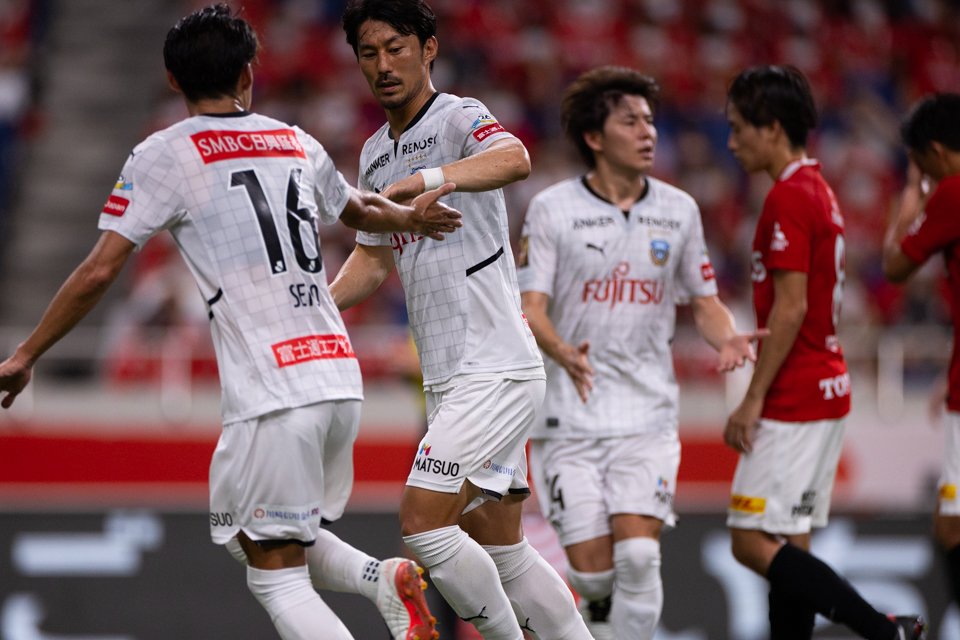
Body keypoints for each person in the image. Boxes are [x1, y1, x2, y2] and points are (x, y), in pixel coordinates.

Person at [0, 5, 466, 639]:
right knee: (255, 534)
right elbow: (357, 209)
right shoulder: (295, 141)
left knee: (273, 574)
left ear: (171, 80)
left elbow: (97, 272)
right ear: (249, 73)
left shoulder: (164, 153)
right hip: (336, 374)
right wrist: (409, 219)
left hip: (273, 391)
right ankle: (379, 580)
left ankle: (378, 582)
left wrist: (26, 354)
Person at [332, 1, 592, 638]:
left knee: (423, 521)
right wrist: (307, 307)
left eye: (396, 48)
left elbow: (514, 160)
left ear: (428, 49)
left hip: (495, 363)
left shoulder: (460, 116)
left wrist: (427, 177)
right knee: (501, 548)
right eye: (369, 53)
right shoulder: (372, 154)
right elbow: (370, 263)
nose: (383, 65)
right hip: (451, 378)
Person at [515, 65, 763, 640]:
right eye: (630, 121)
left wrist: (724, 333)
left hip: (646, 413)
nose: (648, 132)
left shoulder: (679, 211)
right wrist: (560, 350)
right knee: (594, 577)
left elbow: (703, 300)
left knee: (641, 559)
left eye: (651, 121)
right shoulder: (553, 209)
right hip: (568, 416)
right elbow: (531, 308)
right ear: (595, 138)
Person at [724, 64, 925, 640]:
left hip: (795, 393)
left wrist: (751, 400)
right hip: (823, 386)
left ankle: (885, 632)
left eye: (740, 128)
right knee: (791, 543)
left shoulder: (789, 197)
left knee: (750, 540)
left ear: (772, 127)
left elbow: (790, 309)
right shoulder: (818, 191)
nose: (733, 141)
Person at [882, 92, 960, 616]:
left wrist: (910, 199)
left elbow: (894, 266)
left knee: (951, 524)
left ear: (933, 151)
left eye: (918, 164)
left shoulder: (951, 192)